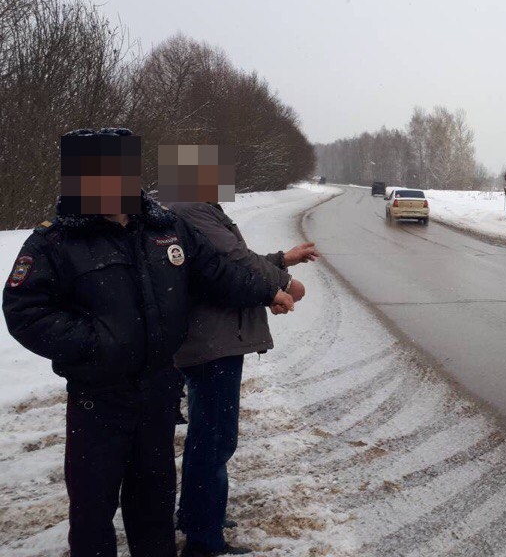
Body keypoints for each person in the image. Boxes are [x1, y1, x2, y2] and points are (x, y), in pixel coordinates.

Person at [2, 128, 297, 557]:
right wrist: (95, 345)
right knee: (92, 510)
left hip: (158, 391)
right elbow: (25, 311)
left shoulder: (165, 228)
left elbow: (219, 272)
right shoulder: (54, 241)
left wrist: (269, 290)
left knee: (153, 502)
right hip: (98, 398)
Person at [166, 198, 317, 556]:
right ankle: (204, 538)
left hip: (213, 339)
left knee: (208, 436)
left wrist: (281, 260)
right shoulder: (191, 210)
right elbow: (230, 266)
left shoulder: (196, 209)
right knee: (214, 439)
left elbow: (228, 264)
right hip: (211, 342)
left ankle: (198, 514)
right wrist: (282, 284)